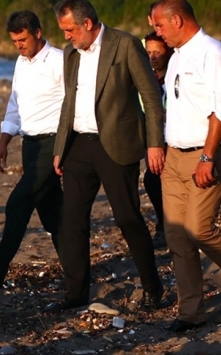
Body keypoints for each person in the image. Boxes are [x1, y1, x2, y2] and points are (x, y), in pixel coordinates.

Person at [150, 0, 221, 332]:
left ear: (177, 20)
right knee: (176, 236)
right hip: (174, 156)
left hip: (209, 153)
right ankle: (191, 313)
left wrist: (206, 157)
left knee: (198, 228)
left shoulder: (213, 52)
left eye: (159, 26)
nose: (156, 33)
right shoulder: (176, 56)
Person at [47, 0, 165, 313]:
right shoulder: (71, 53)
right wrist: (60, 148)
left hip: (116, 144)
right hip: (77, 146)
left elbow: (151, 96)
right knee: (72, 221)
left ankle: (153, 288)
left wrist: (155, 143)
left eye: (70, 29)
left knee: (127, 218)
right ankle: (75, 295)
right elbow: (68, 102)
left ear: (87, 23)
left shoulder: (124, 44)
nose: (66, 36)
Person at [0, 11, 66, 288]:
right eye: (14, 41)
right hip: (29, 144)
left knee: (18, 202)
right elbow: (15, 104)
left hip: (52, 143)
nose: (19, 45)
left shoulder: (59, 61)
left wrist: (67, 147)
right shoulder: (21, 63)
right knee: (53, 214)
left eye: (23, 39)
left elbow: (75, 103)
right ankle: (76, 273)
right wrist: (3, 142)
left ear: (37, 33)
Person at [143, 30, 175, 249]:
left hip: (175, 137)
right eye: (149, 52)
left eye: (157, 52)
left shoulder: (174, 75)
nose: (152, 57)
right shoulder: (148, 79)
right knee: (152, 180)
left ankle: (169, 228)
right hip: (155, 138)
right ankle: (163, 225)